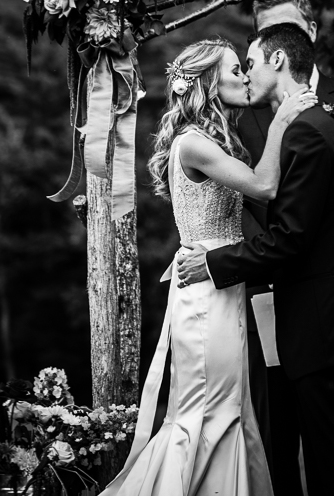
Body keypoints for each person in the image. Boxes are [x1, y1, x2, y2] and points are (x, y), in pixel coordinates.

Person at [176, 23, 334, 495]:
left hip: (321, 328)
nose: (246, 75)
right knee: (331, 459)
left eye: (249, 64)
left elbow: (290, 239)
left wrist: (215, 264)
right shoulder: (311, 127)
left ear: (277, 62)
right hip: (324, 323)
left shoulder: (308, 135)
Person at [101, 38, 316, 496]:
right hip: (205, 298)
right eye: (235, 69)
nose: (244, 77)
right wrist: (283, 117)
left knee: (229, 409)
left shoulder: (215, 139)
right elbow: (263, 186)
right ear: (207, 84)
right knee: (209, 411)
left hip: (224, 285)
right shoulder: (194, 145)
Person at [240, 0, 334, 496]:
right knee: (276, 434)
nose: (247, 68)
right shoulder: (245, 111)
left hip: (318, 292)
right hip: (263, 289)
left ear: (301, 40)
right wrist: (262, 262)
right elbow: (245, 200)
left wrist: (286, 245)